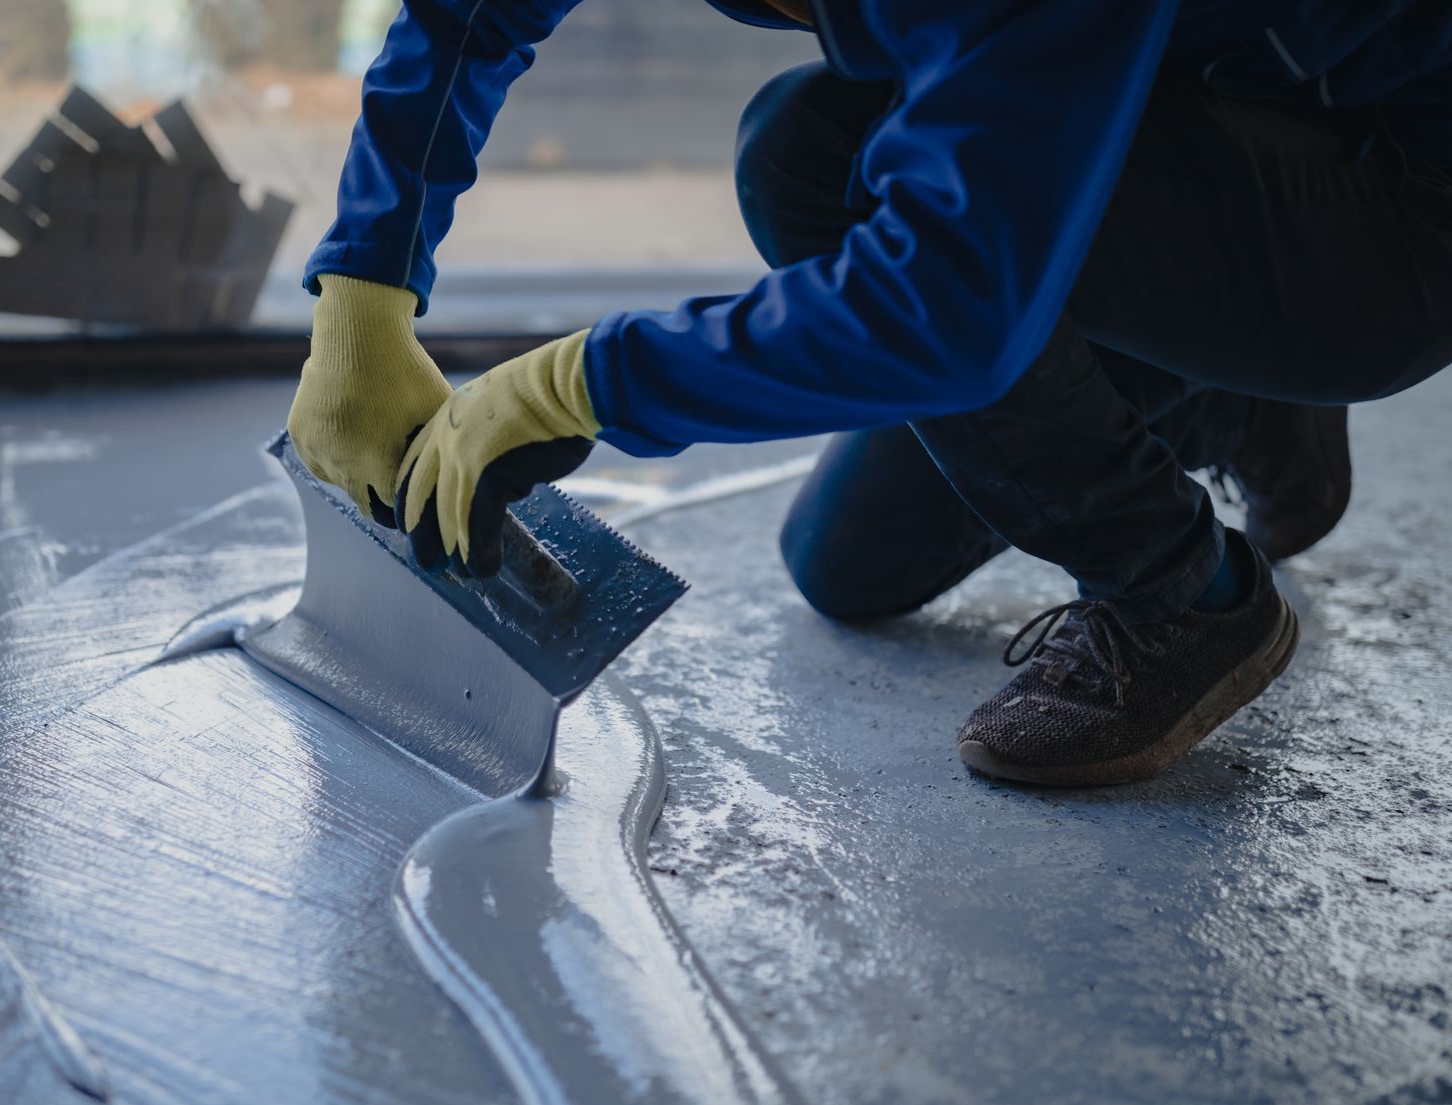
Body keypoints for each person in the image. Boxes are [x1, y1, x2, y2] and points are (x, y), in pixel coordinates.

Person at [285, 0, 1452, 786]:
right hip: (1180, 104)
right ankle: (1243, 401)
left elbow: (942, 306)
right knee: (848, 560)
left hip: (1396, 207)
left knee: (806, 152)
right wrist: (365, 283)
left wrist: (571, 385)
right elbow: (467, 12)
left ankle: (1184, 597)